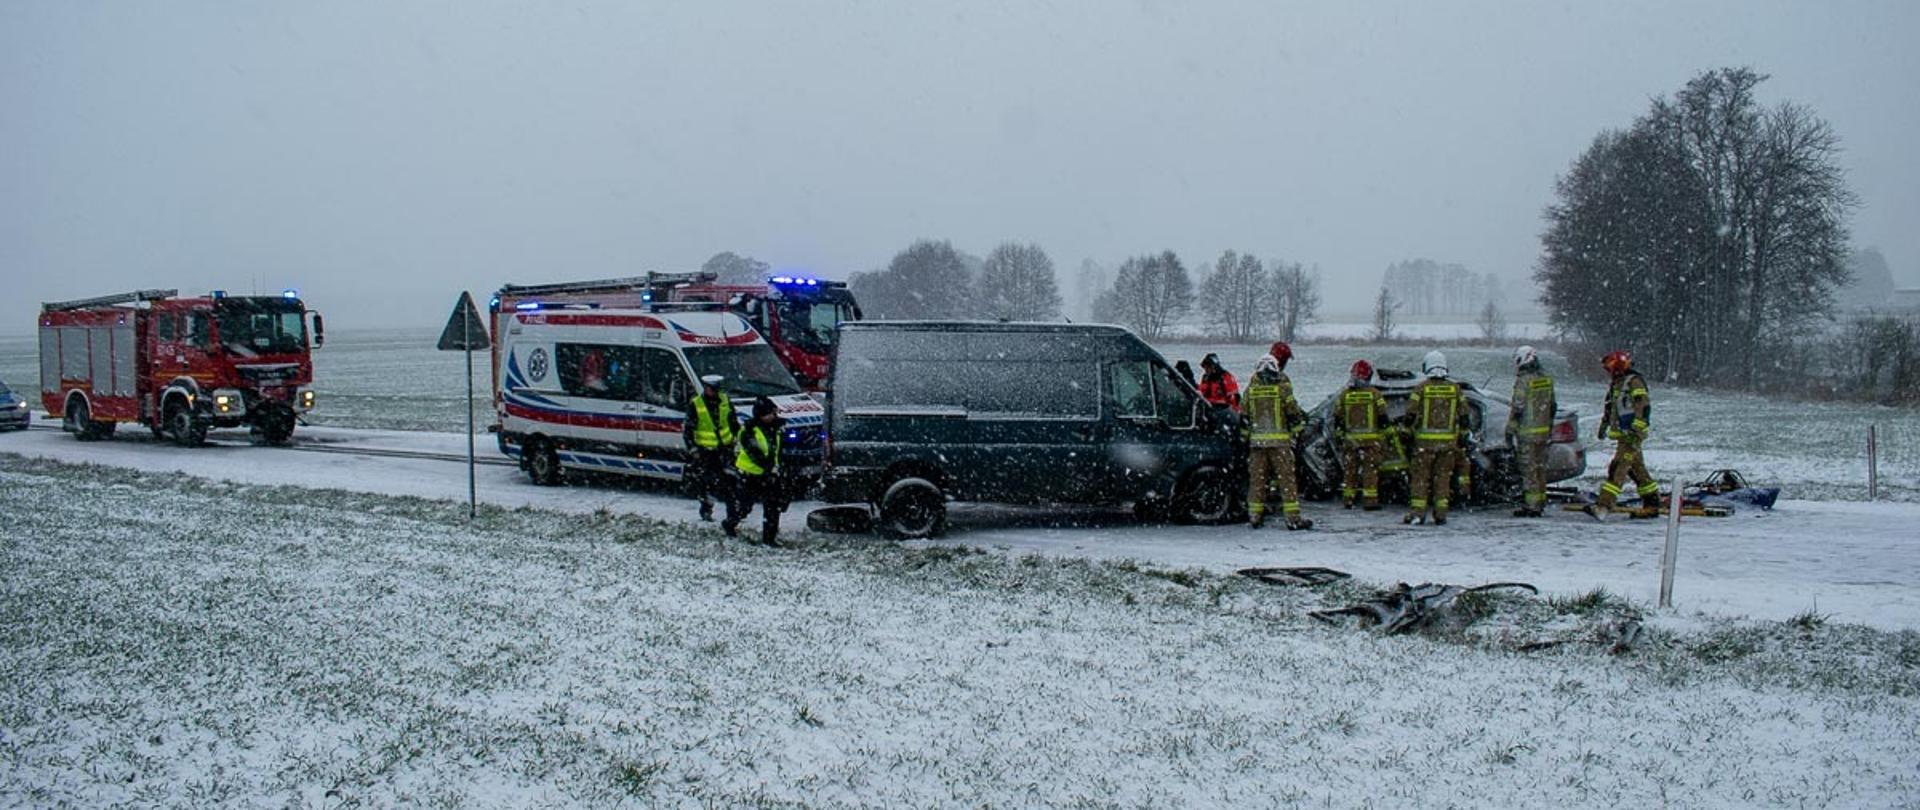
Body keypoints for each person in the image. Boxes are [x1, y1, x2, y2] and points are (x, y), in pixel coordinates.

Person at [1586, 350, 1660, 520]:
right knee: (1637, 470)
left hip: (1631, 435)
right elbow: (1611, 407)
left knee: (1618, 468)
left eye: (1611, 367)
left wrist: (1637, 428)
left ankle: (1604, 506)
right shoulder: (1617, 384)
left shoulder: (1633, 382)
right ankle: (1652, 504)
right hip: (1624, 435)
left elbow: (1643, 405)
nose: (1609, 371)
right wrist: (1604, 425)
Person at [1244, 344, 1311, 530]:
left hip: (1257, 444)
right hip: (1280, 443)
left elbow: (1244, 414)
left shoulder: (1252, 387)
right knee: (1287, 480)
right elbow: (1292, 411)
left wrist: (1246, 437)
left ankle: (1255, 516)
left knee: (1257, 480)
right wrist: (1298, 430)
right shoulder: (1281, 385)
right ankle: (1293, 519)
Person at [1403, 350, 1468, 525]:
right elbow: (1464, 417)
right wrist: (1461, 436)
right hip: (1447, 445)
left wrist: (1406, 432)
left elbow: (1410, 414)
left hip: (1425, 445)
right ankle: (1441, 514)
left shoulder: (1421, 388)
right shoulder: (1455, 389)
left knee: (1420, 480)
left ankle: (1418, 513)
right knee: (1443, 480)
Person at [724, 397, 787, 545]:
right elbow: (756, 454)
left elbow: (778, 451)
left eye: (773, 413)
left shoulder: (777, 428)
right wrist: (769, 467)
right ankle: (730, 523)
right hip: (750, 475)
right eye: (769, 413)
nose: (772, 416)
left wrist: (778, 469)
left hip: (769, 474)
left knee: (773, 507)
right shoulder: (748, 431)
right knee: (744, 507)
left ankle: (769, 539)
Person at [1505, 346, 1557, 517]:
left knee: (1529, 470)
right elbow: (1553, 406)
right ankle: (1540, 501)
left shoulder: (1523, 381)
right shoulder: (1547, 379)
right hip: (1543, 433)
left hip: (1527, 434)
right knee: (1540, 469)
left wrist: (1510, 430)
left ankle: (1532, 505)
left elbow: (1518, 408)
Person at [1333, 360, 1389, 510]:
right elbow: (1383, 417)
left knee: (1350, 472)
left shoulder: (1345, 395)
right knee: (1370, 472)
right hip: (1371, 442)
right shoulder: (1375, 394)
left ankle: (1348, 499)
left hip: (1351, 441)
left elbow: (1337, 418)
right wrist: (1387, 436)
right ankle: (1370, 501)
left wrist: (1340, 435)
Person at [681, 373, 736, 521]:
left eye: (715, 389)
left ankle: (733, 513)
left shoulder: (725, 401)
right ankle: (706, 509)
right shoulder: (696, 404)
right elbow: (688, 430)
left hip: (725, 449)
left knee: (729, 482)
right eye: (710, 388)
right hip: (705, 451)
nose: (712, 391)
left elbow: (733, 422)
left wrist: (735, 440)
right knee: (707, 482)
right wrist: (693, 449)